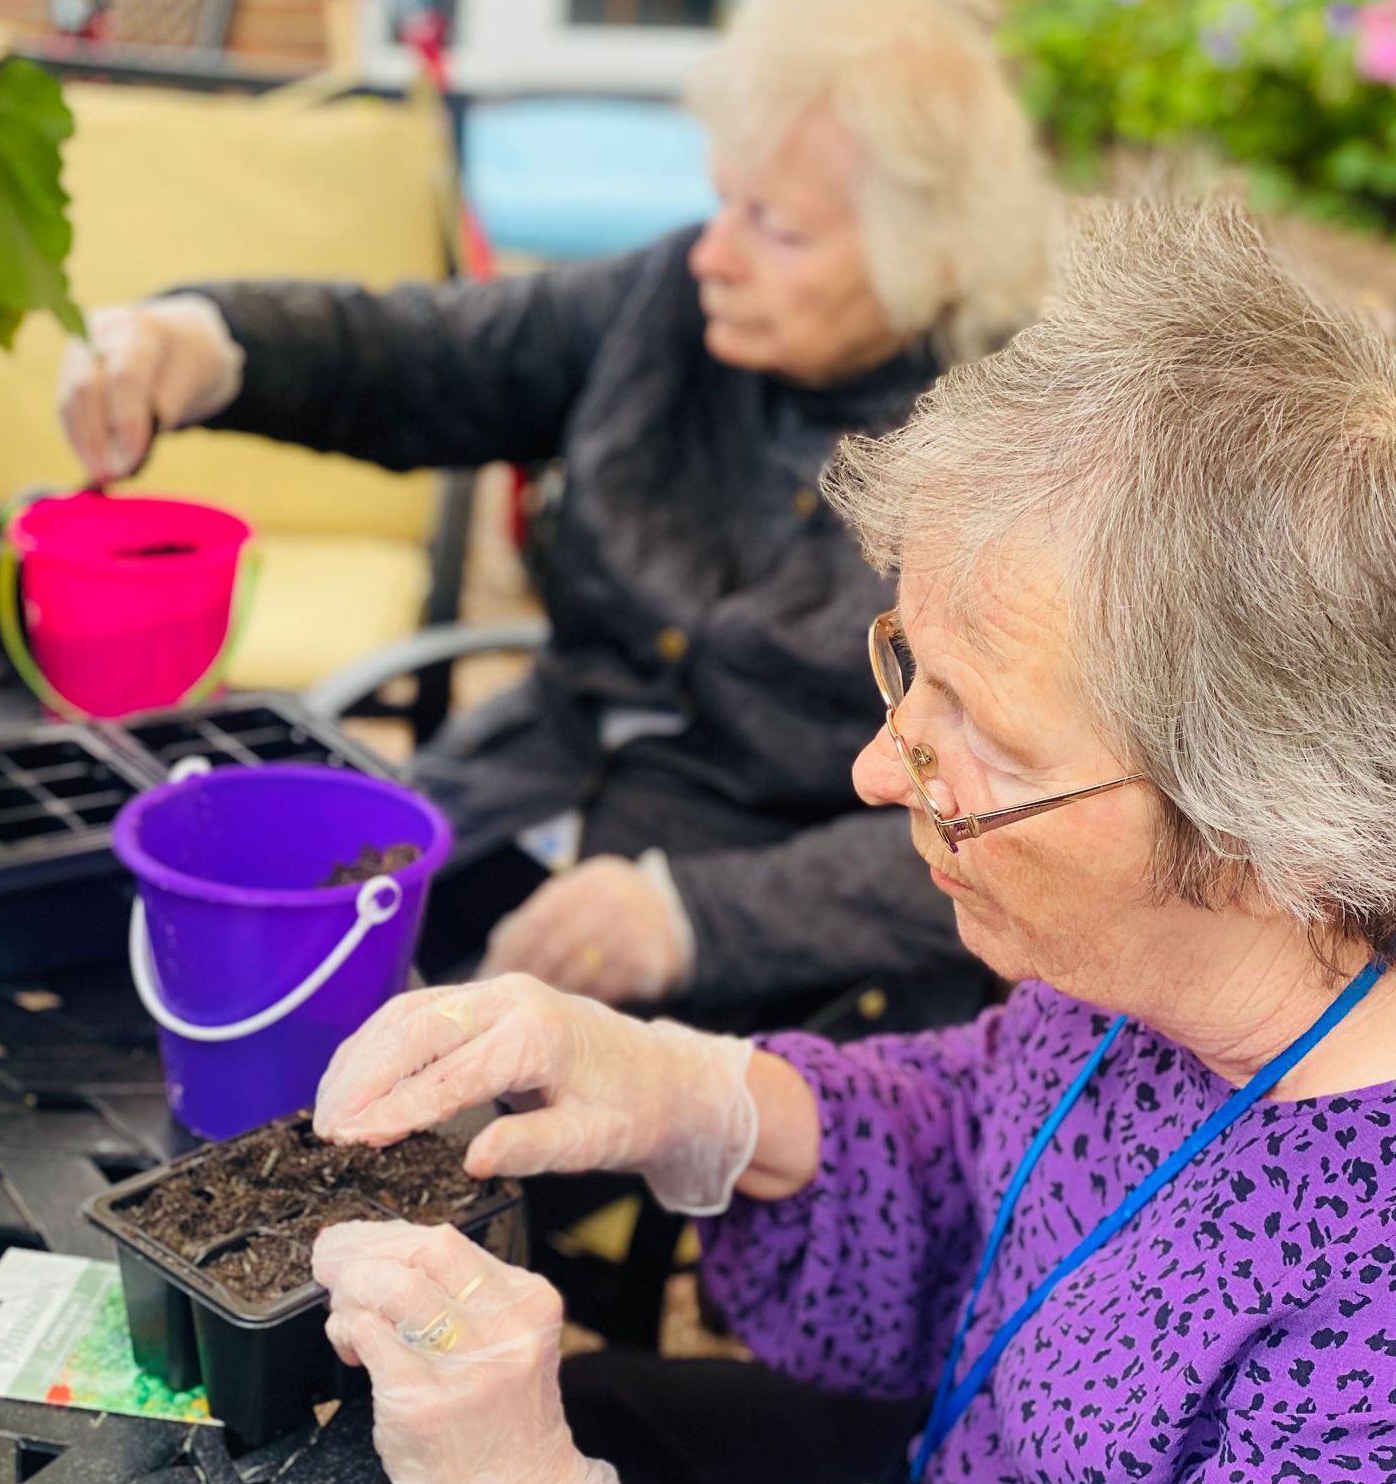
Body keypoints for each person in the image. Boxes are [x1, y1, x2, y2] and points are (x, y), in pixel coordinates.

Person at [308, 199, 1396, 1484]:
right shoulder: (1195, 962)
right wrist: (697, 1099)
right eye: (906, 669)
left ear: (1266, 834)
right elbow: (997, 1141)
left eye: (978, 735)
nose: (883, 771)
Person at [55, 0, 1047, 1034]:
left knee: (434, 1122)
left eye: (778, 229)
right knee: (191, 985)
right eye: (721, 203)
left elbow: (1017, 826)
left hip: (785, 947)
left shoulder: (1014, 452)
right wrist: (208, 344)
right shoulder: (670, 302)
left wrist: (691, 917)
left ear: (930, 255)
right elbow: (426, 356)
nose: (714, 255)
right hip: (518, 792)